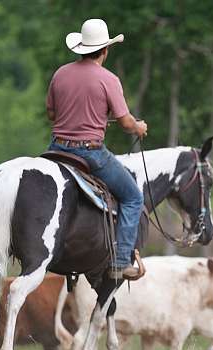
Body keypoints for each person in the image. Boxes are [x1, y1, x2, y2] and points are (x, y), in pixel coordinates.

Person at [46, 19, 147, 280]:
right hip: (89, 153)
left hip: (56, 148)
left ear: (80, 48)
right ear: (105, 50)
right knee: (133, 197)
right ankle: (121, 261)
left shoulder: (60, 73)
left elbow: (51, 113)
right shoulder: (108, 79)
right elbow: (125, 123)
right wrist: (138, 128)